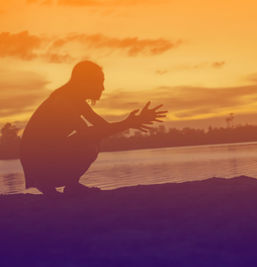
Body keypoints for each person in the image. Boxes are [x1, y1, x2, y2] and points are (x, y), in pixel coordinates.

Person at [20, 60, 167, 196]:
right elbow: (88, 133)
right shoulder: (62, 101)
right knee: (90, 139)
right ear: (84, 82)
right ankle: (49, 185)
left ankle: (71, 185)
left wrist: (132, 122)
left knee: (93, 137)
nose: (102, 87)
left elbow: (103, 127)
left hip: (47, 160)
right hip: (40, 167)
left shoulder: (74, 98)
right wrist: (129, 123)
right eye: (99, 82)